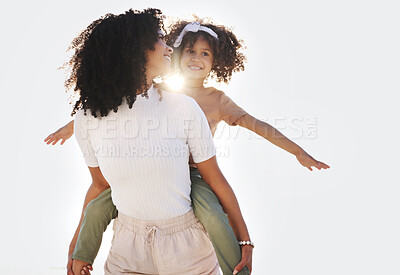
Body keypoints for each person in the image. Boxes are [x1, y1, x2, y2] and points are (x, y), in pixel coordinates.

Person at [46, 18, 330, 275]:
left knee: (212, 214)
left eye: (205, 53)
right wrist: (73, 126)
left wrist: (299, 152)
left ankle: (236, 267)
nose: (196, 58)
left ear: (216, 61)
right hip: (131, 234)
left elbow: (259, 127)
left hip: (194, 176)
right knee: (98, 207)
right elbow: (112, 108)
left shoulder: (209, 101)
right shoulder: (158, 93)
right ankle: (82, 254)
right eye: (190, 51)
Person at [59, 9, 253, 275]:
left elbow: (213, 179)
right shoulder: (88, 118)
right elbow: (101, 185)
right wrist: (76, 247)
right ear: (136, 49)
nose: (168, 48)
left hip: (188, 250)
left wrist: (244, 240)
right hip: (127, 251)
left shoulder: (183, 107)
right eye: (160, 39)